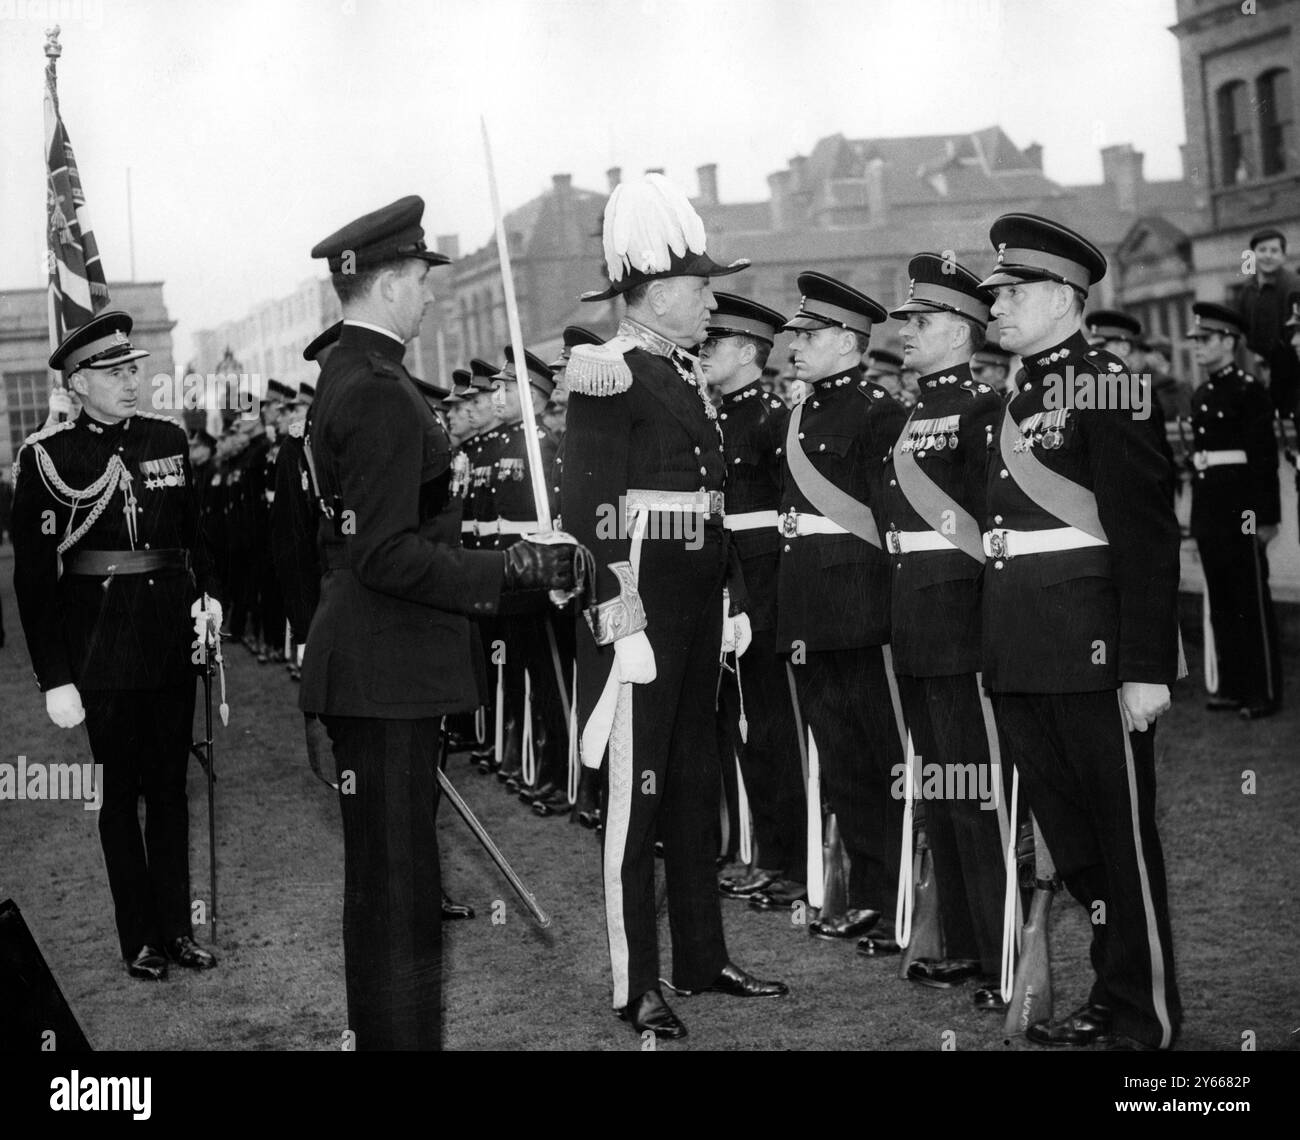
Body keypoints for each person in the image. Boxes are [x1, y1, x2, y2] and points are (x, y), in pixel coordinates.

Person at [299, 195, 585, 1050]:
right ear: (388, 284)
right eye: (421, 278)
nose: (428, 295)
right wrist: (512, 571)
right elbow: (385, 553)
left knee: (389, 886)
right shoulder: (381, 391)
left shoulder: (351, 376)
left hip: (378, 661)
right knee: (398, 893)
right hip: (386, 667)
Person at [563, 173, 788, 1040]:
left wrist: (729, 594)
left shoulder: (681, 372)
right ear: (658, 293)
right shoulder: (606, 371)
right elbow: (591, 513)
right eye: (701, 291)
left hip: (696, 601)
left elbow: (712, 499)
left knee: (695, 784)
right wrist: (620, 620)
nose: (711, 306)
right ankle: (635, 983)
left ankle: (702, 956)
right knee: (637, 794)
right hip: (644, 608)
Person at [979, 213, 1182, 1051]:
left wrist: (1144, 667)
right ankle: (1111, 993)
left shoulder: (1110, 385)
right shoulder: (1019, 394)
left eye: (1013, 292)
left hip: (1094, 655)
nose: (996, 307)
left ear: (1064, 298)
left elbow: (1145, 533)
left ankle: (1146, 1021)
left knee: (1121, 844)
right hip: (1024, 654)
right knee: (1077, 847)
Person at [11, 310, 219, 981]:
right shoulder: (47, 461)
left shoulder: (168, 439)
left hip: (167, 640)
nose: (132, 382)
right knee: (119, 792)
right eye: (114, 372)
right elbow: (35, 581)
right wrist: (55, 677)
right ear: (77, 384)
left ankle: (179, 931)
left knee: (170, 789)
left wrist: (208, 601)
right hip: (99, 651)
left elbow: (196, 537)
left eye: (134, 369)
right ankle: (142, 939)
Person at [878, 252, 1010, 1005]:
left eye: (922, 322)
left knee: (978, 793)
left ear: (961, 330)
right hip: (915, 624)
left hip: (962, 625)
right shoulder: (913, 412)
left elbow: (991, 528)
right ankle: (961, 940)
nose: (909, 333)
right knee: (940, 788)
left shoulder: (984, 411)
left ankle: (999, 955)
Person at [776, 271, 909, 955]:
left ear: (849, 341)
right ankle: (864, 891)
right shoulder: (798, 414)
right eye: (796, 332)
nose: (793, 344)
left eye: (808, 334)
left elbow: (892, 523)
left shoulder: (879, 413)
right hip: (807, 613)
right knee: (843, 762)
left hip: (863, 613)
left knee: (884, 759)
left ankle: (896, 903)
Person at [698, 293, 807, 912]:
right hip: (728, 589)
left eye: (716, 346)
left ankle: (790, 859)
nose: (705, 354)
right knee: (742, 729)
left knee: (773, 729)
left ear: (748, 352)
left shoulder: (771, 419)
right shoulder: (716, 419)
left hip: (765, 593)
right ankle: (761, 851)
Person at [1186, 302, 1281, 720]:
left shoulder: (1249, 390)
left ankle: (1262, 691)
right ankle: (1232, 685)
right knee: (1222, 600)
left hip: (1242, 509)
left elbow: (1264, 461)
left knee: (1250, 600)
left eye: (1205, 340)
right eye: (1196, 341)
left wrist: (1266, 518)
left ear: (1228, 341)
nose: (1198, 348)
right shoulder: (1202, 393)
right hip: (1212, 511)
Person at [1237, 227, 1299, 418]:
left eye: (1274, 251)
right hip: (1262, 366)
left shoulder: (1293, 286)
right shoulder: (1248, 289)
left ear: (1283, 256)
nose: (1268, 256)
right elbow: (1244, 327)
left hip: (1292, 368)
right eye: (1262, 250)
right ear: (1252, 255)